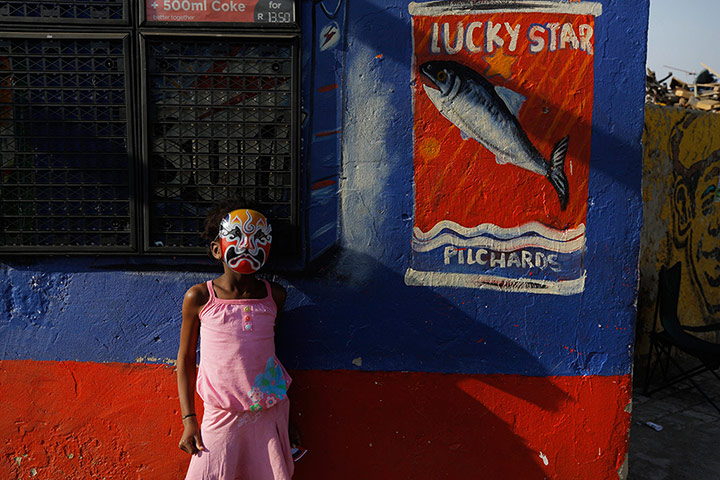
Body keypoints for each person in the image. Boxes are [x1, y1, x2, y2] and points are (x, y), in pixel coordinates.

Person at [177, 199, 295, 479]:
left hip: (269, 415)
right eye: (237, 237)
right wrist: (189, 419)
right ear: (217, 249)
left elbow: (272, 358)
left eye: (258, 239)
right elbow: (184, 359)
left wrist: (289, 422)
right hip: (220, 417)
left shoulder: (275, 296)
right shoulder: (200, 297)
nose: (247, 246)